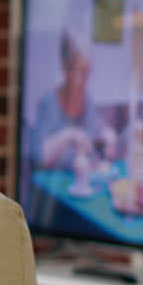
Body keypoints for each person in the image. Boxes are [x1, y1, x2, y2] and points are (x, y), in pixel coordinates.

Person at [24, 29, 118, 193]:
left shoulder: (87, 100)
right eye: (77, 71)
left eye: (86, 72)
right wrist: (68, 135)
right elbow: (38, 159)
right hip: (50, 196)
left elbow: (98, 138)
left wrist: (107, 135)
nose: (81, 80)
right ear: (64, 68)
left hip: (80, 190)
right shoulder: (48, 102)